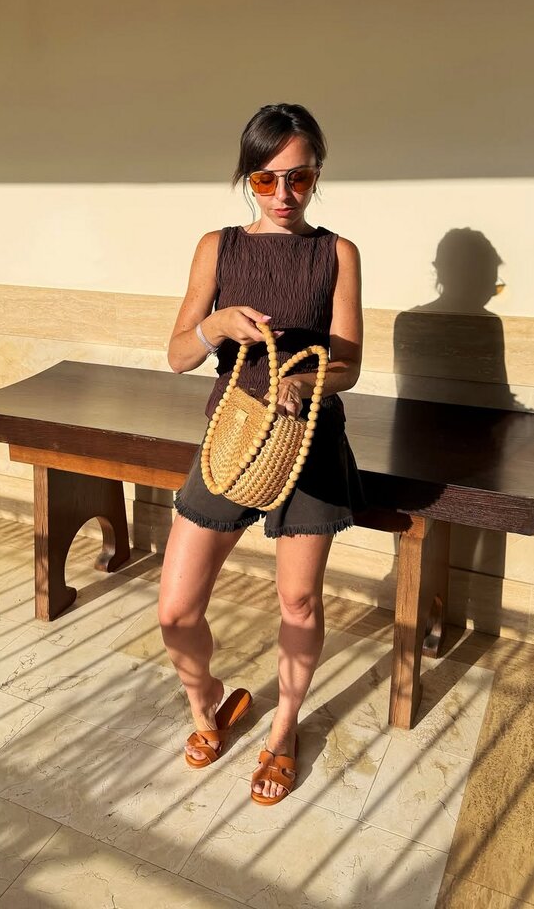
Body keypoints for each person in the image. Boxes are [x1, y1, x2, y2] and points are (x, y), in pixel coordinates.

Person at [159, 103, 366, 805]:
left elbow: (350, 364)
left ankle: (283, 729)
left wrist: (304, 382)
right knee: (176, 610)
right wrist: (216, 323)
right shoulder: (217, 247)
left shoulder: (337, 253)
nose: (283, 195)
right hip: (232, 436)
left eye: (299, 178)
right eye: (266, 179)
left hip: (308, 438)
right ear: (247, 177)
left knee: (299, 601)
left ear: (317, 176)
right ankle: (206, 704)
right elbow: (179, 356)